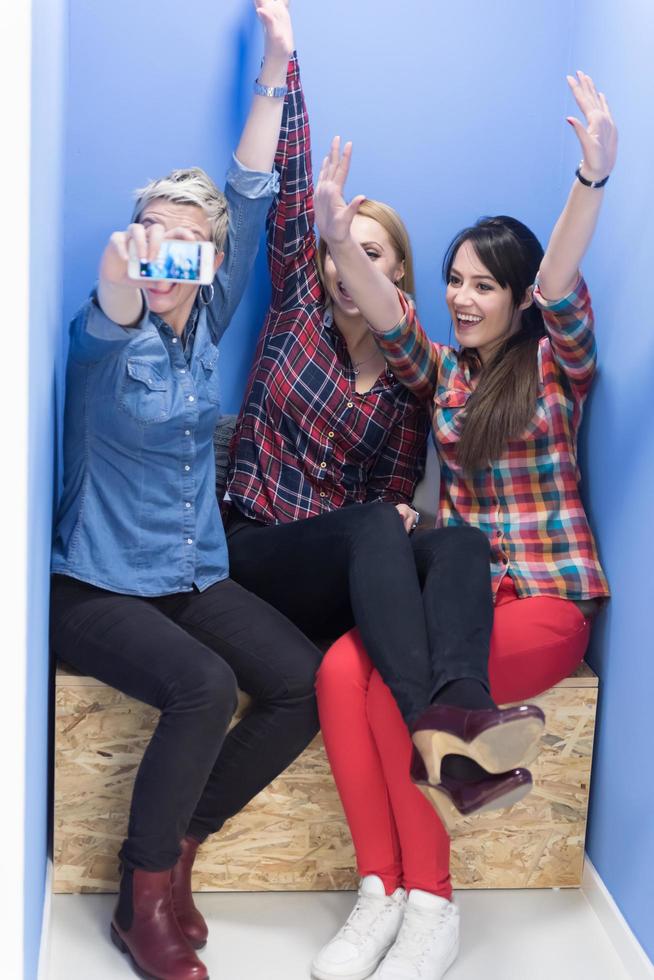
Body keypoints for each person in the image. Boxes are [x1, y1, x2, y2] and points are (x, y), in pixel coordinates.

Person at [310, 71, 615, 980]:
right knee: (337, 669)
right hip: (462, 603)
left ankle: (431, 906)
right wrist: (335, 232)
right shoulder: (443, 373)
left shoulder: (560, 367)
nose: (464, 297)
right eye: (454, 280)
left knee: (380, 697)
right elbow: (381, 302)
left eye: (486, 284)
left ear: (519, 299)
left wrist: (589, 181)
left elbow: (561, 278)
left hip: (547, 602)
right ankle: (380, 893)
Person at [49, 5, 322, 980]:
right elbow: (121, 292)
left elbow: (248, 190)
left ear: (206, 260)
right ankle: (140, 897)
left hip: (189, 572)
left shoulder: (207, 315)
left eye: (185, 245)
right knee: (205, 686)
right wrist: (132, 263)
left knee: (303, 680)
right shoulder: (105, 331)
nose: (166, 256)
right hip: (95, 585)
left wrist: (277, 62)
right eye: (150, 235)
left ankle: (180, 850)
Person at [225, 34, 544, 837]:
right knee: (379, 522)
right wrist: (282, 60)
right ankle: (439, 737)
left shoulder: (417, 382)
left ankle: (462, 720)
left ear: (395, 274)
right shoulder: (296, 308)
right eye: (340, 254)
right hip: (257, 547)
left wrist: (401, 518)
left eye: (368, 255)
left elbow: (387, 504)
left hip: (345, 573)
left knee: (461, 543)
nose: (345, 270)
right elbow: (292, 182)